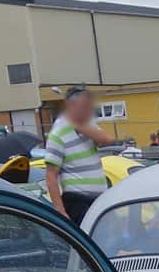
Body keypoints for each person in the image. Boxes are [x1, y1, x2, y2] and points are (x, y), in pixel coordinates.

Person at [41, 86, 116, 224]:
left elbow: (107, 139)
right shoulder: (57, 135)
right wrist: (61, 212)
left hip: (98, 200)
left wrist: (80, 127)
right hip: (78, 201)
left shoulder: (87, 125)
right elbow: (51, 177)